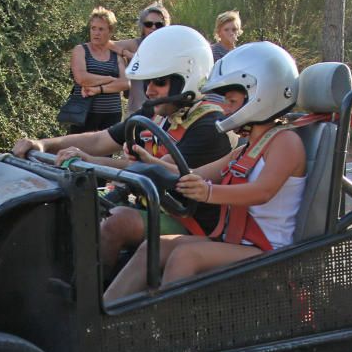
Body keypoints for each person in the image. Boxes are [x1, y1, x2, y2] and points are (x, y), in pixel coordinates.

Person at [13, 25, 231, 278]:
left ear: (188, 78)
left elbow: (152, 171)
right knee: (71, 211)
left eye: (159, 82)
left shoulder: (207, 125)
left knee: (118, 222)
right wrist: (44, 144)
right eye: (149, 81)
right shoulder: (156, 113)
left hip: (191, 223)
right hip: (152, 208)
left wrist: (90, 161)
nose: (149, 90)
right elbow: (99, 139)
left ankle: (88, 303)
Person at [104, 41, 305, 302]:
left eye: (232, 101)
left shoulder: (286, 142)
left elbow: (262, 191)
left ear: (262, 96)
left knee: (186, 256)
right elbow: (195, 173)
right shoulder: (246, 149)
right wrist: (149, 162)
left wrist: (209, 193)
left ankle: (162, 331)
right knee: (155, 247)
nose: (226, 109)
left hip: (267, 249)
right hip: (237, 242)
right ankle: (102, 316)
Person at [66, 7, 130, 134]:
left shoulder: (116, 54)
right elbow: (82, 78)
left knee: (104, 153)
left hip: (111, 114)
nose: (96, 33)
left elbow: (125, 83)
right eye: (93, 28)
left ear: (110, 31)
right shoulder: (81, 50)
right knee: (75, 151)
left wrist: (98, 88)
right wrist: (110, 79)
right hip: (84, 113)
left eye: (101, 29)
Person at [109, 1, 170, 114]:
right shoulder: (135, 44)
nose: (153, 28)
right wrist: (123, 55)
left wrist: (131, 56)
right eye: (148, 24)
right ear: (142, 26)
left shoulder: (169, 47)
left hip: (161, 112)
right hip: (136, 110)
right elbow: (106, 44)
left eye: (158, 24)